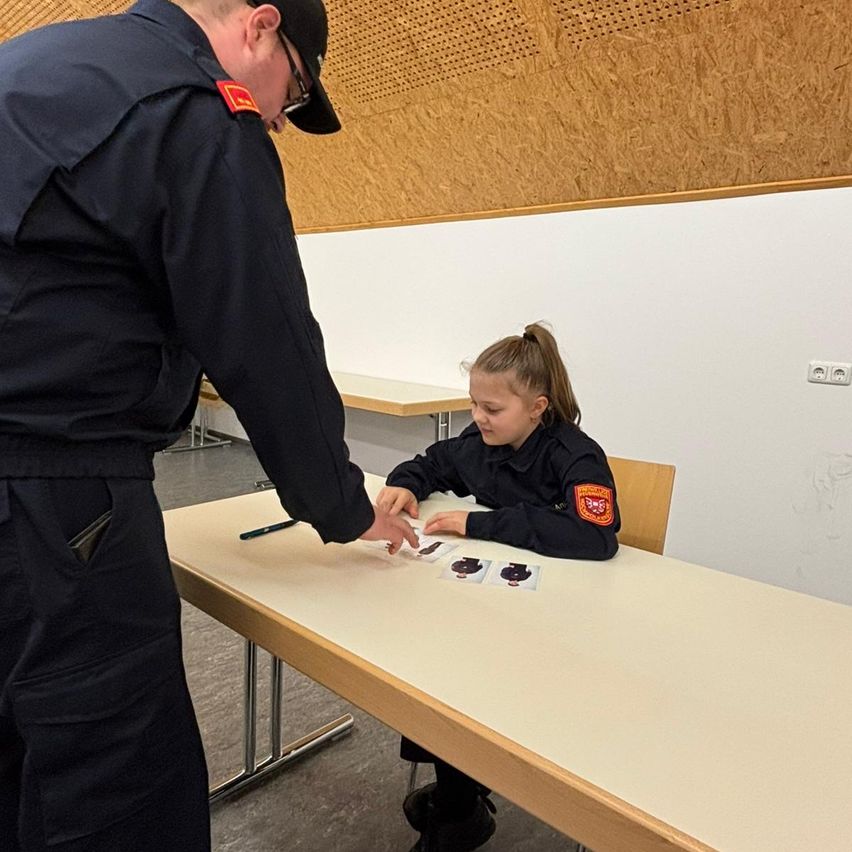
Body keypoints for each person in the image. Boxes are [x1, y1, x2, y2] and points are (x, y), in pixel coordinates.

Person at [0, 1, 416, 849]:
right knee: (111, 771)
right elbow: (267, 340)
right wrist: (343, 503)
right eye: (292, 95)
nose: (276, 117)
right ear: (260, 28)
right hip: (50, 493)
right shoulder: (197, 108)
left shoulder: (36, 61)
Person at [376, 322, 620, 852]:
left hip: (565, 619)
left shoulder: (575, 456)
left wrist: (478, 524)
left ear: (537, 406)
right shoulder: (478, 443)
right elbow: (431, 464)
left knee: (462, 668)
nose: (477, 419)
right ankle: (459, 796)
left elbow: (597, 537)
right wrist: (403, 484)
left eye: (492, 409)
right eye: (473, 405)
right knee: (432, 660)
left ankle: (460, 804)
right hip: (493, 600)